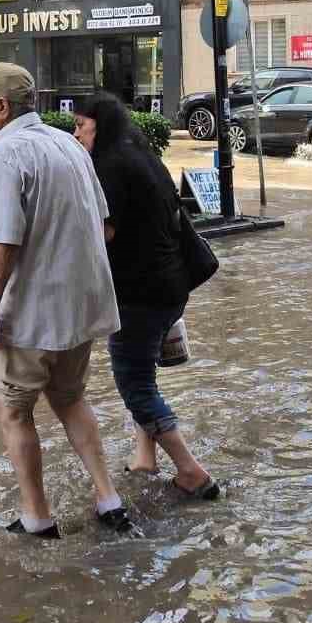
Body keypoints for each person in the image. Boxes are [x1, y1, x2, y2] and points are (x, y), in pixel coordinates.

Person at [0, 62, 133, 539]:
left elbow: (3, 242)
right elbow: (102, 223)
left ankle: (37, 518)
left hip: (30, 315)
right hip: (79, 310)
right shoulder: (67, 144)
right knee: (71, 398)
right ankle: (109, 499)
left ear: (1, 106)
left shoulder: (6, 157)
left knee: (13, 411)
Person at [73, 94, 220, 501]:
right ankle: (145, 457)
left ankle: (191, 471)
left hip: (139, 293)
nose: (76, 134)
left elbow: (105, 233)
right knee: (143, 374)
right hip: (172, 285)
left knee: (135, 385)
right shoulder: (142, 152)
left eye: (81, 126)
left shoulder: (109, 166)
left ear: (98, 126)